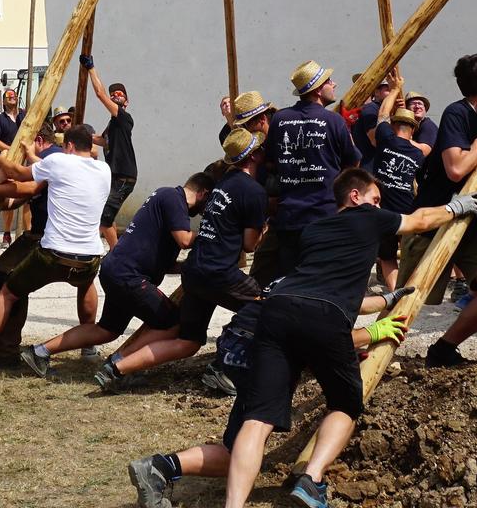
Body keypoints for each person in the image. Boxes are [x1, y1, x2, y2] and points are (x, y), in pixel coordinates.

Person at [127, 166, 477, 508]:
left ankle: (218, 496)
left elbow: (318, 293)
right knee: (345, 404)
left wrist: (384, 300)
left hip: (275, 315)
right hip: (318, 320)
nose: (379, 207)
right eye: (375, 199)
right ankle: (312, 480)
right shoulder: (369, 218)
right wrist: (455, 208)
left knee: (256, 422)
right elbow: (419, 220)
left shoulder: (314, 231)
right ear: (354, 196)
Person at [100, 127, 268, 392]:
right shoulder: (254, 192)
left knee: (189, 341)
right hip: (220, 272)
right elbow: (249, 244)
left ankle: (118, 367)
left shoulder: (220, 187)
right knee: (265, 308)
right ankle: (224, 368)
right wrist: (264, 229)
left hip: (195, 271)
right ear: (255, 156)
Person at [23, 171, 210, 378]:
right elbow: (184, 240)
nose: (204, 213)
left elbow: (159, 259)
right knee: (171, 322)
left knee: (107, 329)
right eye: (208, 204)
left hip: (118, 270)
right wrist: (212, 234)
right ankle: (119, 365)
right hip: (129, 276)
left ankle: (39, 351)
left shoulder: (166, 197)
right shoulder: (175, 199)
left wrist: (186, 267)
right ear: (203, 193)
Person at [0, 122, 111, 377]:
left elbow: (20, 175)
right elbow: (48, 171)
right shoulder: (104, 169)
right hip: (90, 256)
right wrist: (32, 155)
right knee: (85, 285)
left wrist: (5, 160)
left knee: (7, 291)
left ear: (69, 146)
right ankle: (88, 348)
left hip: (53, 254)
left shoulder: (60, 163)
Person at [402, 53, 477, 367]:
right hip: (434, 217)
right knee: (407, 298)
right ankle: (367, 351)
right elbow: (456, 168)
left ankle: (443, 348)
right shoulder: (456, 113)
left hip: (472, 220)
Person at [254, 61, 362, 285]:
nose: (335, 84)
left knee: (290, 281)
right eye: (329, 81)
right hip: (325, 215)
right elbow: (353, 164)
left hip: (289, 217)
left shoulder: (280, 120)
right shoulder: (334, 121)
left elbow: (271, 161)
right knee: (324, 281)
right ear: (318, 89)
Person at [366, 106, 426, 288]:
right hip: (407, 209)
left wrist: (393, 89)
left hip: (383, 211)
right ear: (413, 130)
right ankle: (411, 290)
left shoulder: (386, 138)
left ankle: (394, 295)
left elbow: (383, 113)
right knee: (411, 253)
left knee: (387, 257)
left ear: (393, 126)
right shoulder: (418, 154)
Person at [83, 55, 139, 248]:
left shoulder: (124, 118)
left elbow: (100, 93)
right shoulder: (113, 125)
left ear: (127, 101)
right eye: (113, 94)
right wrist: (79, 134)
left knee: (104, 219)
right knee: (108, 216)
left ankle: (117, 255)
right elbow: (103, 141)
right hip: (115, 176)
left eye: (119, 94)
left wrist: (91, 68)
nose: (115, 96)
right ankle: (117, 251)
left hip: (124, 176)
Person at [0, 87, 24, 241]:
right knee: (8, 195)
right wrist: (11, 149)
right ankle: (7, 231)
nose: (12, 97)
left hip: (24, 158)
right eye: (8, 96)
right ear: (3, 101)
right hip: (7, 160)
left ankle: (26, 232)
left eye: (14, 95)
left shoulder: (24, 116)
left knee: (27, 196)